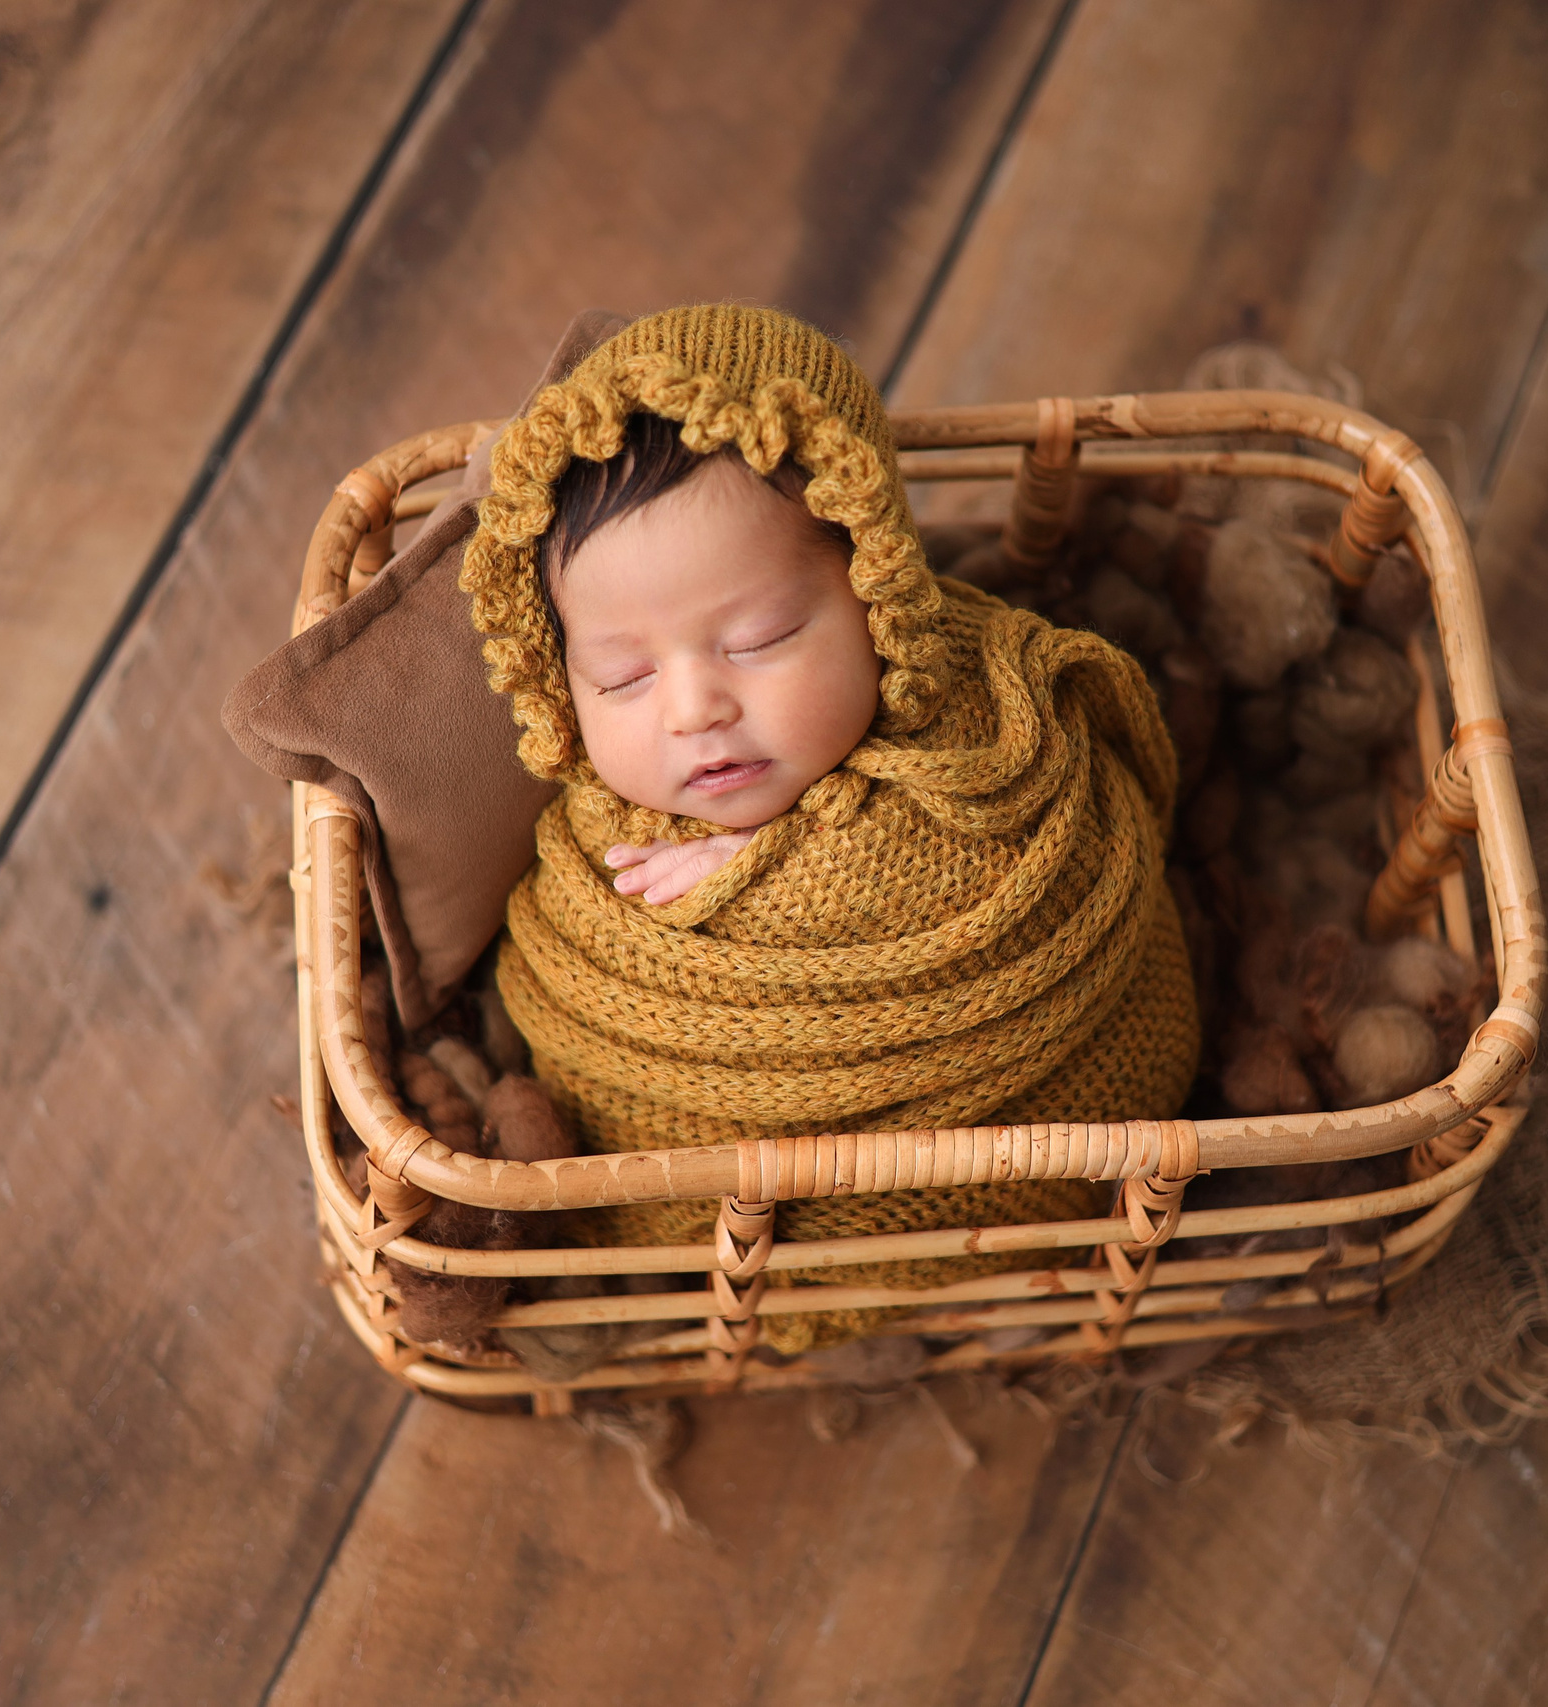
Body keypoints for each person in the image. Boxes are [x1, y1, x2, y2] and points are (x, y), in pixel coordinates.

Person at [461, 302, 1197, 1350]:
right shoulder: (590, 853)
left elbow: (1023, 856)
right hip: (721, 1199)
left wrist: (776, 866)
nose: (691, 709)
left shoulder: (986, 725)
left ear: (877, 592)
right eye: (620, 675)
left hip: (1043, 1099)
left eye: (757, 639)